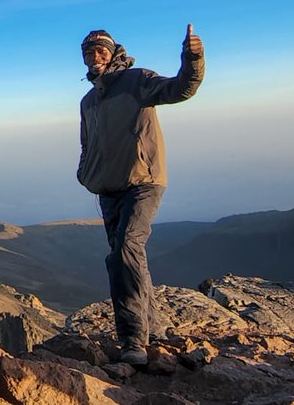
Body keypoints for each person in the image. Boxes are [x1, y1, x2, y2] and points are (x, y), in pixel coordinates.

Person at [77, 24, 204, 366]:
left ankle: (133, 339)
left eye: (100, 50)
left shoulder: (137, 81)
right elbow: (88, 144)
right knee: (129, 257)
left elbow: (182, 89)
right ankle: (156, 328)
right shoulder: (88, 101)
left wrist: (193, 57)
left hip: (144, 182)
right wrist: (85, 173)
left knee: (125, 252)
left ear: (113, 51)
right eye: (88, 52)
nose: (94, 56)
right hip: (108, 189)